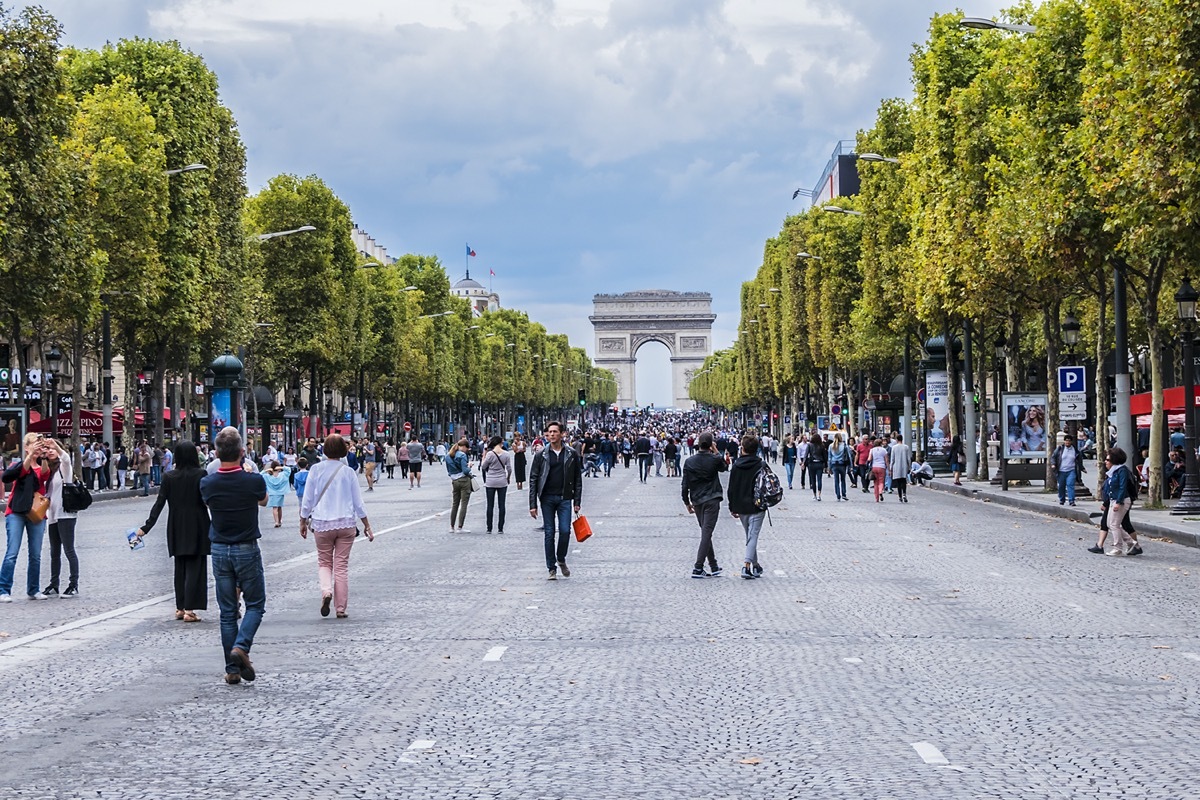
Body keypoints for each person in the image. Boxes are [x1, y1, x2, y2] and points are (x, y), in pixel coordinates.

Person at [199, 427, 268, 685]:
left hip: (219, 549)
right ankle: (242, 646)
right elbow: (263, 501)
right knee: (255, 605)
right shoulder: (253, 480)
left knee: (227, 611)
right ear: (242, 452)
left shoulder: (207, 483)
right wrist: (249, 474)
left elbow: (208, 503)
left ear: (216, 453)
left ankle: (232, 670)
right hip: (246, 547)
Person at [299, 434, 374, 619]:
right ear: (343, 450)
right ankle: (341, 608)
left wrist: (302, 520)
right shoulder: (348, 472)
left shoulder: (315, 470)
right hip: (346, 523)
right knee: (341, 566)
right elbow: (358, 502)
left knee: (324, 562)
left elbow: (308, 499)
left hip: (322, 523)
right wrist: (366, 524)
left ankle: (326, 592)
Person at [135, 440, 210, 622]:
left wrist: (146, 527)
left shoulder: (169, 477)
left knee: (180, 567)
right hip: (198, 524)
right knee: (195, 567)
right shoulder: (201, 474)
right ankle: (190, 611)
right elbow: (208, 500)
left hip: (176, 524)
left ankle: (180, 607)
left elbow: (159, 504)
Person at [529, 421, 583, 580]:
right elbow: (533, 479)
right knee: (549, 533)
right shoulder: (541, 455)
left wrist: (577, 501)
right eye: (549, 432)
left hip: (565, 497)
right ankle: (551, 568)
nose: (551, 434)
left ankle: (561, 558)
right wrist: (532, 504)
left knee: (565, 531)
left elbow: (577, 479)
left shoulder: (572, 454)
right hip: (546, 498)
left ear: (562, 434)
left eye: (555, 432)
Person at [1, 433, 52, 602]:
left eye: (40, 444)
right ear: (27, 446)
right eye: (35, 444)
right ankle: (3, 590)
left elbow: (44, 475)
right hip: (16, 512)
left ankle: (33, 589)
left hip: (36, 513)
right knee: (12, 552)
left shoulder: (40, 466)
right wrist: (30, 456)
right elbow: (14, 474)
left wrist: (44, 456)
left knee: (35, 554)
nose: (38, 447)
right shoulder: (19, 465)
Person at [681, 431, 727, 578]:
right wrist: (716, 450)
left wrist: (686, 502)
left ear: (698, 444)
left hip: (697, 500)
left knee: (706, 533)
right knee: (706, 533)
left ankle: (713, 565)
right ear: (710, 444)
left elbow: (684, 485)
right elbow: (724, 466)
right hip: (712, 498)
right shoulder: (714, 459)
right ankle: (698, 567)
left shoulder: (689, 462)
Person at [43, 438, 80, 597]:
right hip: (52, 515)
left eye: (54, 449)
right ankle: (54, 583)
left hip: (65, 514)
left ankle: (73, 584)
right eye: (48, 449)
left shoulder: (64, 468)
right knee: (54, 552)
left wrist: (55, 446)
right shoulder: (50, 471)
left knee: (69, 550)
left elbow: (65, 457)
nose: (51, 451)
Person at [727, 434, 766, 580]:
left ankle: (756, 566)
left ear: (742, 448)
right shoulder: (761, 465)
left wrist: (732, 506)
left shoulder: (736, 465)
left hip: (741, 506)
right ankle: (746, 566)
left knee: (750, 536)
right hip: (757, 505)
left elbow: (731, 488)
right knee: (753, 536)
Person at [1099, 446, 1137, 556]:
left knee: (1114, 525)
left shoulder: (1122, 471)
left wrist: (1118, 502)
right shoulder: (1113, 471)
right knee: (1110, 524)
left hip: (1121, 500)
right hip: (1113, 500)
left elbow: (1122, 487)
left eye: (1108, 460)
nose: (1105, 462)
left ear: (1114, 460)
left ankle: (1118, 548)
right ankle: (1130, 542)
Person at [481, 435, 513, 534]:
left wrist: (483, 456)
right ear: (500, 443)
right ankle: (500, 528)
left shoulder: (490, 454)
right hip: (502, 481)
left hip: (490, 481)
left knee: (490, 505)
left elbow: (483, 466)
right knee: (501, 505)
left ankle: (489, 528)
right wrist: (508, 478)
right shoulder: (506, 454)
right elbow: (509, 468)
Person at [445, 438, 475, 533]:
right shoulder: (462, 455)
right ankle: (460, 527)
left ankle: (451, 526)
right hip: (464, 480)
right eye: (467, 448)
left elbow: (449, 471)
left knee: (455, 504)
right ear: (464, 447)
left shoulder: (448, 456)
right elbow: (465, 470)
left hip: (454, 481)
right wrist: (469, 466)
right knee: (464, 504)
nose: (467, 450)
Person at [1052, 432, 1082, 507]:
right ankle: (1062, 499)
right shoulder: (1060, 449)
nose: (1067, 442)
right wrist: (1053, 464)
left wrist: (1082, 468)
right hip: (1061, 470)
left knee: (1070, 485)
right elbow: (1053, 457)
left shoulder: (1075, 450)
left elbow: (1079, 460)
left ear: (1071, 442)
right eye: (1066, 440)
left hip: (1071, 470)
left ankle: (1071, 500)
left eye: (1069, 440)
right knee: (1061, 485)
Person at [262, 461, 290, 528]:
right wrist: (282, 467)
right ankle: (279, 521)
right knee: (279, 507)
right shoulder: (283, 475)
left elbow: (260, 475)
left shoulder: (267, 476)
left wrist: (266, 470)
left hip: (272, 493)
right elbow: (289, 470)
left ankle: (276, 521)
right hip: (280, 493)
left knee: (275, 508)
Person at [889, 433, 912, 504]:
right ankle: (904, 494)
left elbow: (892, 459)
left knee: (898, 482)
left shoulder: (894, 447)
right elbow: (908, 458)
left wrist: (891, 467)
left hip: (897, 466)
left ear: (896, 440)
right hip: (904, 465)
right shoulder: (906, 447)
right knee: (903, 481)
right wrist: (909, 466)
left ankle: (900, 496)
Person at [828, 433, 850, 501]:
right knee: (843, 479)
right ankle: (844, 494)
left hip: (834, 464)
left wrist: (829, 467)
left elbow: (829, 458)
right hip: (842, 464)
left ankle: (838, 495)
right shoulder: (844, 446)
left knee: (836, 480)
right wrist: (850, 466)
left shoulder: (831, 446)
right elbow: (848, 456)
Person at [807, 432, 826, 501]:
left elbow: (806, 454)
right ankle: (819, 494)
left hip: (812, 464)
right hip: (819, 464)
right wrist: (826, 465)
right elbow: (824, 456)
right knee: (819, 479)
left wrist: (804, 463)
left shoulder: (809, 445)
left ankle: (814, 495)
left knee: (813, 480)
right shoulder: (822, 445)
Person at [869, 438, 889, 502]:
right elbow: (887, 460)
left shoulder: (872, 450)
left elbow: (869, 459)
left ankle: (876, 498)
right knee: (881, 481)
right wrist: (889, 469)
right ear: (881, 443)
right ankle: (880, 491)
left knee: (875, 483)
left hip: (874, 467)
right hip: (882, 467)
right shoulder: (884, 450)